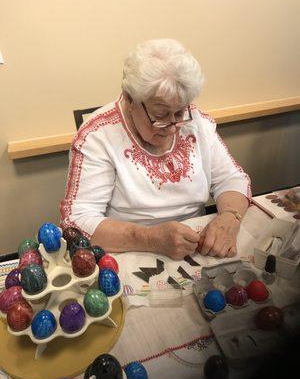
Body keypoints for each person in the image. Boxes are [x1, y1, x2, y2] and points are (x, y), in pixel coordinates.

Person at [60, 39, 251, 260]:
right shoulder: (97, 136)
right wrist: (150, 238)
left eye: (180, 112)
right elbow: (77, 220)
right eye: (160, 115)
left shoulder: (195, 122)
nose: (173, 126)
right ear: (130, 99)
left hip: (194, 246)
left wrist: (230, 217)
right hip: (130, 251)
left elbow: (232, 178)